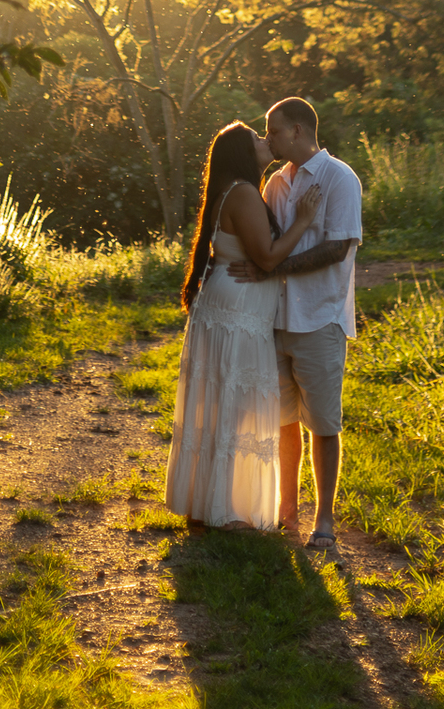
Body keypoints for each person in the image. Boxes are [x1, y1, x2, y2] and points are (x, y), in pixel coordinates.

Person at [164, 119, 322, 530]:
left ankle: (209, 503)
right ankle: (227, 511)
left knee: (222, 406)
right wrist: (303, 221)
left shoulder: (232, 191)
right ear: (241, 153)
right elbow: (268, 258)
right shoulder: (245, 194)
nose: (264, 139)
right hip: (237, 315)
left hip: (230, 309)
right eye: (256, 138)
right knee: (234, 407)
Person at [228, 96, 363, 553]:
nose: (268, 139)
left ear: (299, 132)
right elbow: (268, 246)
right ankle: (288, 512)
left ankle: (323, 521)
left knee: (323, 423)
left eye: (274, 131)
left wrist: (272, 270)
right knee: (284, 422)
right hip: (275, 320)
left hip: (319, 318)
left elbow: (338, 248)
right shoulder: (275, 185)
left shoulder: (338, 178)